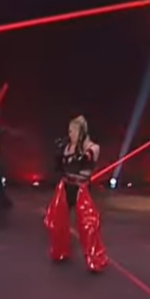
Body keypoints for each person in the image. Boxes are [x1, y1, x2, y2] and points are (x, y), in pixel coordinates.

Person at [44, 115, 109, 273]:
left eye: (73, 131)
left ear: (81, 132)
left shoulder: (92, 148)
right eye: (69, 131)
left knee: (88, 225)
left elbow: (83, 162)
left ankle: (95, 259)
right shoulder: (67, 147)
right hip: (65, 186)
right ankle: (60, 251)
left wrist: (79, 152)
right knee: (55, 221)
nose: (70, 134)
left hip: (81, 188)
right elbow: (61, 168)